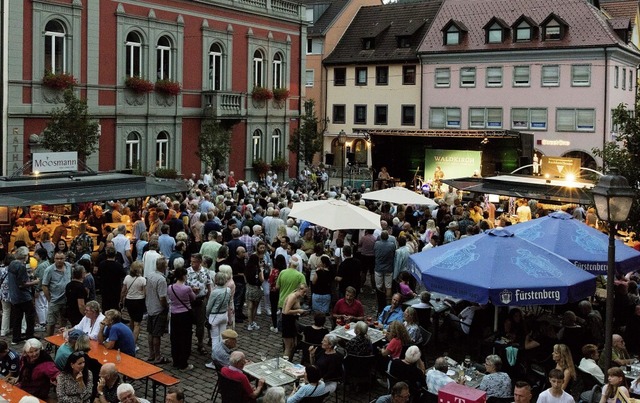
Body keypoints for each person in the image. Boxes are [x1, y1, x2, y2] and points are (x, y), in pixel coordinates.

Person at [7, 247, 38, 344]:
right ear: (25, 256)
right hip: (23, 296)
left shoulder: (12, 264)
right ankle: (29, 336)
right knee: (30, 316)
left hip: (14, 296)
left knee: (17, 317)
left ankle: (16, 338)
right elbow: (22, 284)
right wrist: (35, 282)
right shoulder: (21, 267)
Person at [167, 266, 196, 371]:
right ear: (184, 276)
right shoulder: (187, 288)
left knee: (175, 338)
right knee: (185, 339)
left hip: (174, 314)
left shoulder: (170, 287)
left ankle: (176, 360)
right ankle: (183, 363)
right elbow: (193, 298)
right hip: (184, 315)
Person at [145, 259, 169, 364]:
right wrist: (166, 307)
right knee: (156, 334)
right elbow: (162, 297)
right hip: (158, 309)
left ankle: (151, 354)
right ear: (164, 267)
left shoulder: (150, 275)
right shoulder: (161, 280)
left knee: (150, 332)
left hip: (150, 306)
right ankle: (158, 356)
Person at [120, 261, 146, 345]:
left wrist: (121, 300)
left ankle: (129, 337)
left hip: (129, 301)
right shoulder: (142, 279)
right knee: (137, 323)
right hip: (139, 301)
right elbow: (145, 293)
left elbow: (123, 291)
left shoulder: (127, 277)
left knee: (131, 319)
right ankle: (133, 343)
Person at [282, 284, 308, 361]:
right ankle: (285, 363)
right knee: (288, 347)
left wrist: (300, 313)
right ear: (299, 289)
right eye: (304, 292)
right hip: (287, 322)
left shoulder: (298, 297)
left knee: (293, 345)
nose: (305, 294)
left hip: (292, 321)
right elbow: (286, 311)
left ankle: (289, 361)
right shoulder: (293, 297)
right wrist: (298, 311)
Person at [97, 246, 126, 313]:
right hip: (115, 288)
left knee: (105, 305)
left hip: (104, 288)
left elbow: (98, 274)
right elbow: (123, 275)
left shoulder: (102, 264)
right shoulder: (118, 265)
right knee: (115, 306)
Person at [244, 253, 264, 331]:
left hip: (249, 288)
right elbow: (262, 280)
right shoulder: (257, 269)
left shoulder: (247, 268)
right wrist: (261, 270)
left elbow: (245, 279)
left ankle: (249, 323)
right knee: (255, 307)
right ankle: (253, 321)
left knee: (249, 307)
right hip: (256, 289)